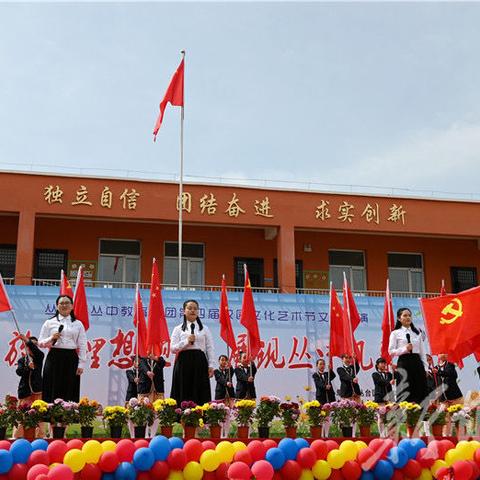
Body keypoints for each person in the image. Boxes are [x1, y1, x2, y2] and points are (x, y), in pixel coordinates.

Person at [38, 295, 87, 403]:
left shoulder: (78, 324)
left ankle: (68, 414)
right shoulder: (49, 322)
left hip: (71, 357)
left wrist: (81, 364)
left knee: (70, 385)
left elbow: (82, 345)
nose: (64, 305)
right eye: (61, 303)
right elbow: (40, 343)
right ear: (57, 306)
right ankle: (49, 414)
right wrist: (51, 337)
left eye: (67, 303)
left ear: (72, 306)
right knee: (51, 384)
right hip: (54, 356)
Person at [170, 299, 215, 405]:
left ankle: (201, 416)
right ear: (184, 311)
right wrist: (186, 341)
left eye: (195, 308)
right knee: (183, 388)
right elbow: (172, 348)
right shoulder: (178, 329)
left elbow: (210, 347)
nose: (192, 310)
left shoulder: (204, 328)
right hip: (183, 361)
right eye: (189, 308)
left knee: (200, 389)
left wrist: (211, 365)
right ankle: (181, 415)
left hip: (200, 361)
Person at [388, 307, 427, 404]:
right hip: (404, 362)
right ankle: (404, 415)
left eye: (409, 315)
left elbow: (422, 352)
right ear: (399, 318)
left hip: (417, 362)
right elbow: (391, 351)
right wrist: (405, 349)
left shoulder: (416, 332)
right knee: (405, 389)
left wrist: (425, 368)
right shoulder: (395, 333)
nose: (408, 317)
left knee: (419, 389)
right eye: (405, 315)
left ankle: (420, 414)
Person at [14, 335, 45, 438]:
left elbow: (38, 352)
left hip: (37, 390)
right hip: (25, 391)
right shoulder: (22, 360)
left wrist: (27, 341)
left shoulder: (39, 357)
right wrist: (28, 368)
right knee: (22, 415)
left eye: (36, 345)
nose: (33, 347)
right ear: (26, 347)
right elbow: (19, 372)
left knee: (39, 414)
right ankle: (18, 437)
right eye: (31, 345)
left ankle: (40, 436)